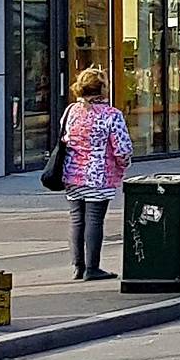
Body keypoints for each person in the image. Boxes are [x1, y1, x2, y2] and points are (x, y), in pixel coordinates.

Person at [60, 67, 132, 281]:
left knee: (76, 220)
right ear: (102, 88)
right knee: (94, 220)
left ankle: (77, 266)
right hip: (99, 176)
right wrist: (123, 164)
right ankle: (92, 268)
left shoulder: (71, 111)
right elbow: (122, 149)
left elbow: (65, 139)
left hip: (72, 173)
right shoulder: (111, 115)